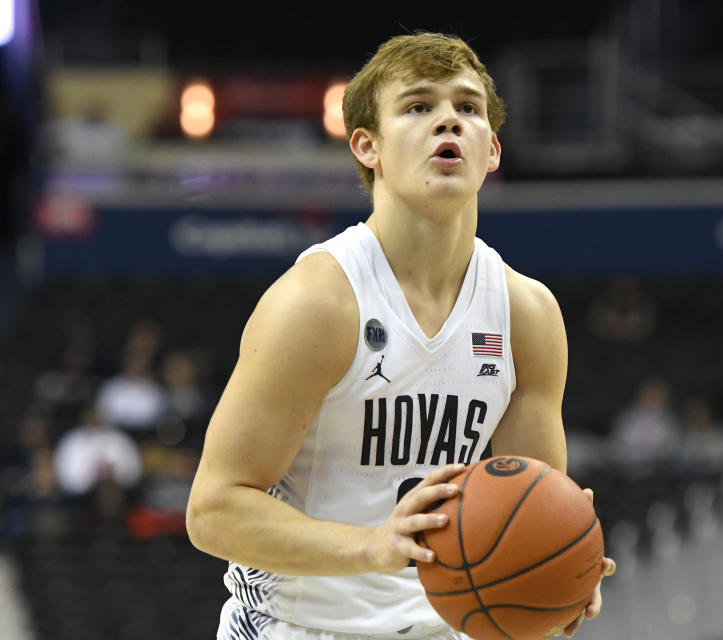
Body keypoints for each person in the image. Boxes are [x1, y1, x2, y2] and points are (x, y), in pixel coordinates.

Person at [186, 32, 615, 640]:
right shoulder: (318, 303)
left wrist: (562, 569)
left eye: (468, 108)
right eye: (418, 106)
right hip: (298, 625)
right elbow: (214, 511)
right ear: (368, 147)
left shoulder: (528, 313)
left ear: (492, 150)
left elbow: (532, 502)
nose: (449, 119)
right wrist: (372, 546)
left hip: (447, 627)